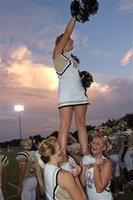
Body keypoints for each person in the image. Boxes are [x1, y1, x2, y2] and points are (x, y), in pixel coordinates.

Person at [53, 15, 90, 161]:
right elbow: (67, 32)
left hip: (79, 93)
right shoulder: (57, 55)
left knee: (81, 124)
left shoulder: (72, 58)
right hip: (67, 94)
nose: (72, 40)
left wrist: (84, 80)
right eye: (70, 39)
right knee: (65, 125)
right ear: (62, 42)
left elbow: (75, 77)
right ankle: (62, 158)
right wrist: (75, 15)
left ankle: (86, 154)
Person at [80, 133, 113, 200]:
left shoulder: (106, 164)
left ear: (104, 147)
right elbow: (83, 184)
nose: (94, 145)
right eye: (93, 143)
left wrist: (96, 166)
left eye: (98, 144)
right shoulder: (88, 160)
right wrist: (83, 166)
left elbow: (99, 189)